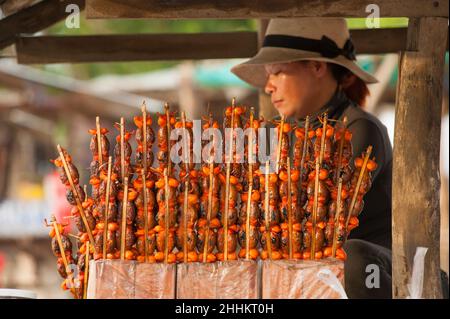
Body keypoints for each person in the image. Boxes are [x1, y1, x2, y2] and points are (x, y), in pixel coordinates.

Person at [231, 18, 392, 298]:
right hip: (297, 261)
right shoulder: (272, 132)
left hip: (368, 272)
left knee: (352, 256)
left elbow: (321, 217)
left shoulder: (359, 129)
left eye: (278, 72)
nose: (268, 87)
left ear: (318, 67)